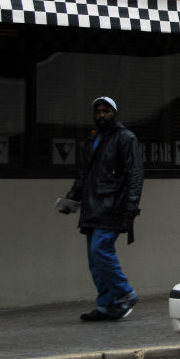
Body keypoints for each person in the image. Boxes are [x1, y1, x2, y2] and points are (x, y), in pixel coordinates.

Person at [60, 96, 143, 322]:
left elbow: (135, 174)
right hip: (92, 206)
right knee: (94, 260)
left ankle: (124, 293)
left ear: (114, 113)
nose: (101, 115)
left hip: (112, 205)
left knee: (100, 251)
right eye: (98, 112)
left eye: (106, 111)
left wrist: (131, 205)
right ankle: (106, 305)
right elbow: (84, 173)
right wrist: (72, 197)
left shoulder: (126, 138)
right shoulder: (94, 138)